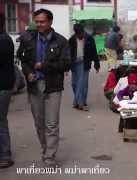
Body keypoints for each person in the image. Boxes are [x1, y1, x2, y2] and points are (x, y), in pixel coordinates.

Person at [17, 9, 71, 167]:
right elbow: (22, 58)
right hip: (35, 86)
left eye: (42, 21)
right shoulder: (28, 39)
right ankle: (45, 147)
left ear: (50, 22)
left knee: (52, 123)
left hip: (53, 86)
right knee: (39, 122)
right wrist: (27, 73)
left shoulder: (61, 41)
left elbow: (66, 63)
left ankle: (50, 156)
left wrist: (44, 65)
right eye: (37, 22)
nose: (39, 24)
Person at [69, 23, 100, 111]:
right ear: (75, 33)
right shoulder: (71, 40)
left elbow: (94, 51)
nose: (80, 36)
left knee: (82, 84)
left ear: (83, 31)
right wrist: (66, 67)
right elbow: (68, 54)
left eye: (81, 34)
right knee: (74, 84)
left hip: (84, 63)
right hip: (74, 64)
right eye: (78, 35)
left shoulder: (89, 38)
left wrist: (96, 64)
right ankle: (78, 101)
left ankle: (81, 103)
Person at [0, 13, 15, 169]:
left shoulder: (3, 40)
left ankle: (5, 155)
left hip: (2, 87)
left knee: (0, 121)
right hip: (4, 85)